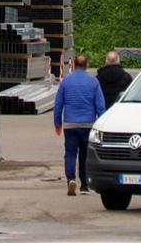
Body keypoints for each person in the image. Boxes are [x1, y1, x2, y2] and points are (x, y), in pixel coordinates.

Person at [52, 54, 105, 196]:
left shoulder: (66, 81)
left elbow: (58, 104)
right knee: (85, 155)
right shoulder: (93, 82)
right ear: (86, 65)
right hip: (88, 124)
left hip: (70, 124)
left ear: (73, 65)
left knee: (70, 153)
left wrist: (57, 123)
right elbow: (100, 106)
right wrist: (103, 124)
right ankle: (84, 184)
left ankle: (70, 179)